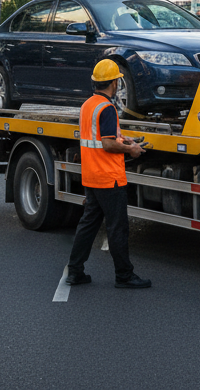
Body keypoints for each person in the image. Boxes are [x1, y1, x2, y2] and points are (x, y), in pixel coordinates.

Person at [65, 59, 151, 290]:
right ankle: (124, 276)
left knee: (88, 226)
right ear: (113, 83)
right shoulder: (107, 108)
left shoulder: (88, 105)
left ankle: (75, 271)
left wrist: (124, 139)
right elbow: (107, 145)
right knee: (117, 228)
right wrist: (130, 149)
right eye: (117, 82)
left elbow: (100, 138)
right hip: (109, 178)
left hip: (92, 176)